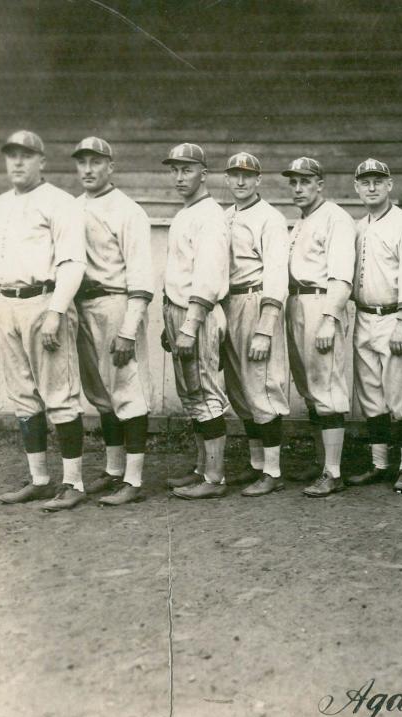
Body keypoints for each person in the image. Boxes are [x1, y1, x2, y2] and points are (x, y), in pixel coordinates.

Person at [0, 130, 88, 510]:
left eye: (26, 155)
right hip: (7, 304)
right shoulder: (1, 205)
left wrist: (56, 310)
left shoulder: (60, 203)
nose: (17, 162)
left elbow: (72, 262)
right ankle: (40, 478)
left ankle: (74, 483)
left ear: (42, 160)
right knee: (22, 396)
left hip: (43, 301)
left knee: (59, 394)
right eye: (11, 155)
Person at [71, 136, 154, 506]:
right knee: (101, 395)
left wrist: (128, 329)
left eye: (96, 162)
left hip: (117, 303)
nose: (88, 169)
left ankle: (133, 481)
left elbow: (140, 277)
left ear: (111, 166)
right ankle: (114, 469)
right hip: (84, 306)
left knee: (127, 391)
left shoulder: (128, 211)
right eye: (82, 162)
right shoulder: (71, 209)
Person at [346, 158, 402, 493]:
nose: (371, 187)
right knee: (371, 395)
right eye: (365, 181)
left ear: (390, 185)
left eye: (377, 181)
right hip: (364, 315)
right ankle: (379, 464)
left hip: (397, 315)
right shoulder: (358, 226)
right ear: (356, 186)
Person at [159, 143, 232, 500]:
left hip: (197, 314)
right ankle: (203, 468)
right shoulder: (186, 212)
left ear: (204, 173)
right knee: (191, 394)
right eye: (174, 169)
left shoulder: (210, 215)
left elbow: (208, 276)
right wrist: (169, 323)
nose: (179, 176)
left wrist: (189, 325)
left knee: (205, 393)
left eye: (186, 169)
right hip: (179, 310)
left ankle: (215, 478)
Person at [282, 156, 356, 498]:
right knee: (310, 388)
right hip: (297, 302)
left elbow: (342, 276)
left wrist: (330, 318)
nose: (298, 188)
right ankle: (321, 460)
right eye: (293, 182)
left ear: (320, 184)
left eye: (305, 182)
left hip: (321, 303)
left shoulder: (336, 218)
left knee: (327, 386)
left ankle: (334, 471)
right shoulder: (300, 222)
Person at [221, 152, 290, 496]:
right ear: (227, 179)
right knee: (240, 391)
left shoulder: (271, 219)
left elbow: (277, 274)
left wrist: (266, 326)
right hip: (229, 302)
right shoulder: (224, 216)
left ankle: (274, 472)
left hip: (256, 299)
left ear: (259, 179)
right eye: (234, 175)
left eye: (248, 175)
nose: (241, 181)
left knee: (262, 386)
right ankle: (257, 466)